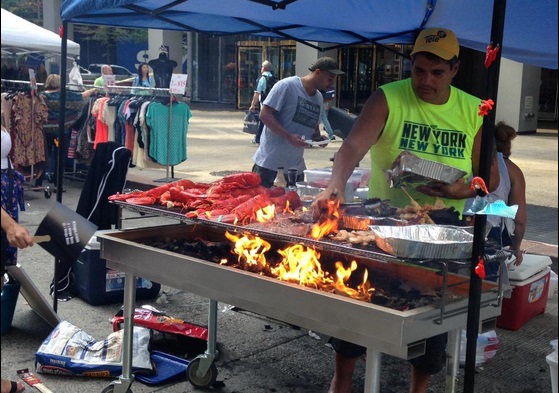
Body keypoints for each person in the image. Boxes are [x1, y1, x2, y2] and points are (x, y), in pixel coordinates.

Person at [311, 28, 500, 393]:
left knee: (432, 313)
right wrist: (336, 185)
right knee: (355, 298)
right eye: (418, 71)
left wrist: (458, 189)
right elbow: (351, 148)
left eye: (437, 73)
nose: (426, 81)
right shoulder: (387, 98)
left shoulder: (474, 109)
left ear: (455, 69)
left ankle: (420, 386)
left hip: (443, 225)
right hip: (381, 221)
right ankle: (343, 380)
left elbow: (487, 174)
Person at [252, 57, 344, 188]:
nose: (332, 83)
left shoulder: (318, 98)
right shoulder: (287, 86)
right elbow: (264, 114)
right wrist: (289, 136)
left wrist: (318, 138)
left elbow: (314, 128)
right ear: (318, 72)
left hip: (296, 169)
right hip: (269, 165)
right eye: (330, 78)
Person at [34, 75, 95, 188]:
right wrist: (93, 90)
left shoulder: (42, 96)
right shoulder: (66, 95)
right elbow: (81, 97)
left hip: (46, 131)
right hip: (61, 132)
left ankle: (38, 183)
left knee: (44, 156)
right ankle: (58, 184)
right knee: (59, 157)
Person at [486, 121, 527, 265]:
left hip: (460, 223)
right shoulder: (513, 171)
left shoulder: (472, 161)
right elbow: (519, 219)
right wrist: (516, 246)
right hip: (490, 232)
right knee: (487, 283)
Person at [249, 60, 275, 144]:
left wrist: (253, 105)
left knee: (262, 120)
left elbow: (257, 93)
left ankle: (258, 138)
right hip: (273, 103)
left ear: (264, 68)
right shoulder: (274, 78)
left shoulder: (262, 79)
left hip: (264, 103)